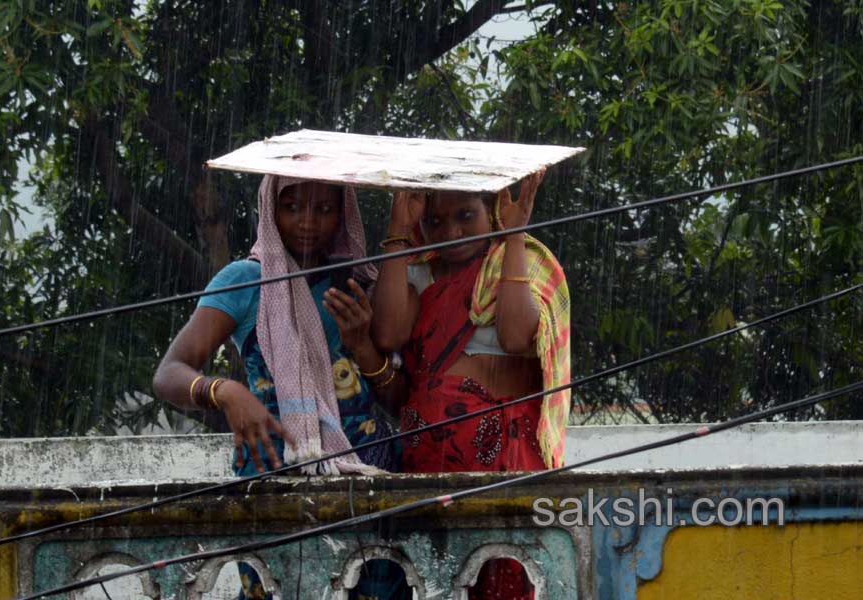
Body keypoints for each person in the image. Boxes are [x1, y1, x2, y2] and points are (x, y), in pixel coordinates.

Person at [153, 175, 406, 599]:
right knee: (280, 586)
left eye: (324, 210)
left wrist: (362, 346)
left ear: (343, 215)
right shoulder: (245, 280)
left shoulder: (359, 282)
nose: (308, 222)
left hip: (367, 466)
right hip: (275, 467)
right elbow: (169, 373)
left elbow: (398, 400)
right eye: (293, 208)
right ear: (270, 211)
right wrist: (227, 393)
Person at [370, 170, 572, 599]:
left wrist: (515, 236)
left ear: (492, 212)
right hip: (429, 455)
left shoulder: (523, 261)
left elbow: (517, 337)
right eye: (436, 222)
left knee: (503, 572)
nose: (452, 232)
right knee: (433, 577)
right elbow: (386, 334)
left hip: (505, 457)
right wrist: (399, 231)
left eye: (466, 215)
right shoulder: (419, 271)